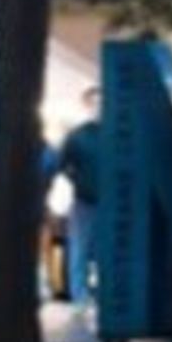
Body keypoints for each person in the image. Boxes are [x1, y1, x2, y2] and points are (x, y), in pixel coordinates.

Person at [57, 86, 102, 312]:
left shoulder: (118, 132)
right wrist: (77, 181)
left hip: (109, 201)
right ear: (87, 106)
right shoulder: (77, 136)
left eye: (102, 102)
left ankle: (101, 295)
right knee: (81, 250)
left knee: (105, 251)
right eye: (94, 103)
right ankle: (81, 298)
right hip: (85, 200)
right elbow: (61, 163)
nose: (99, 107)